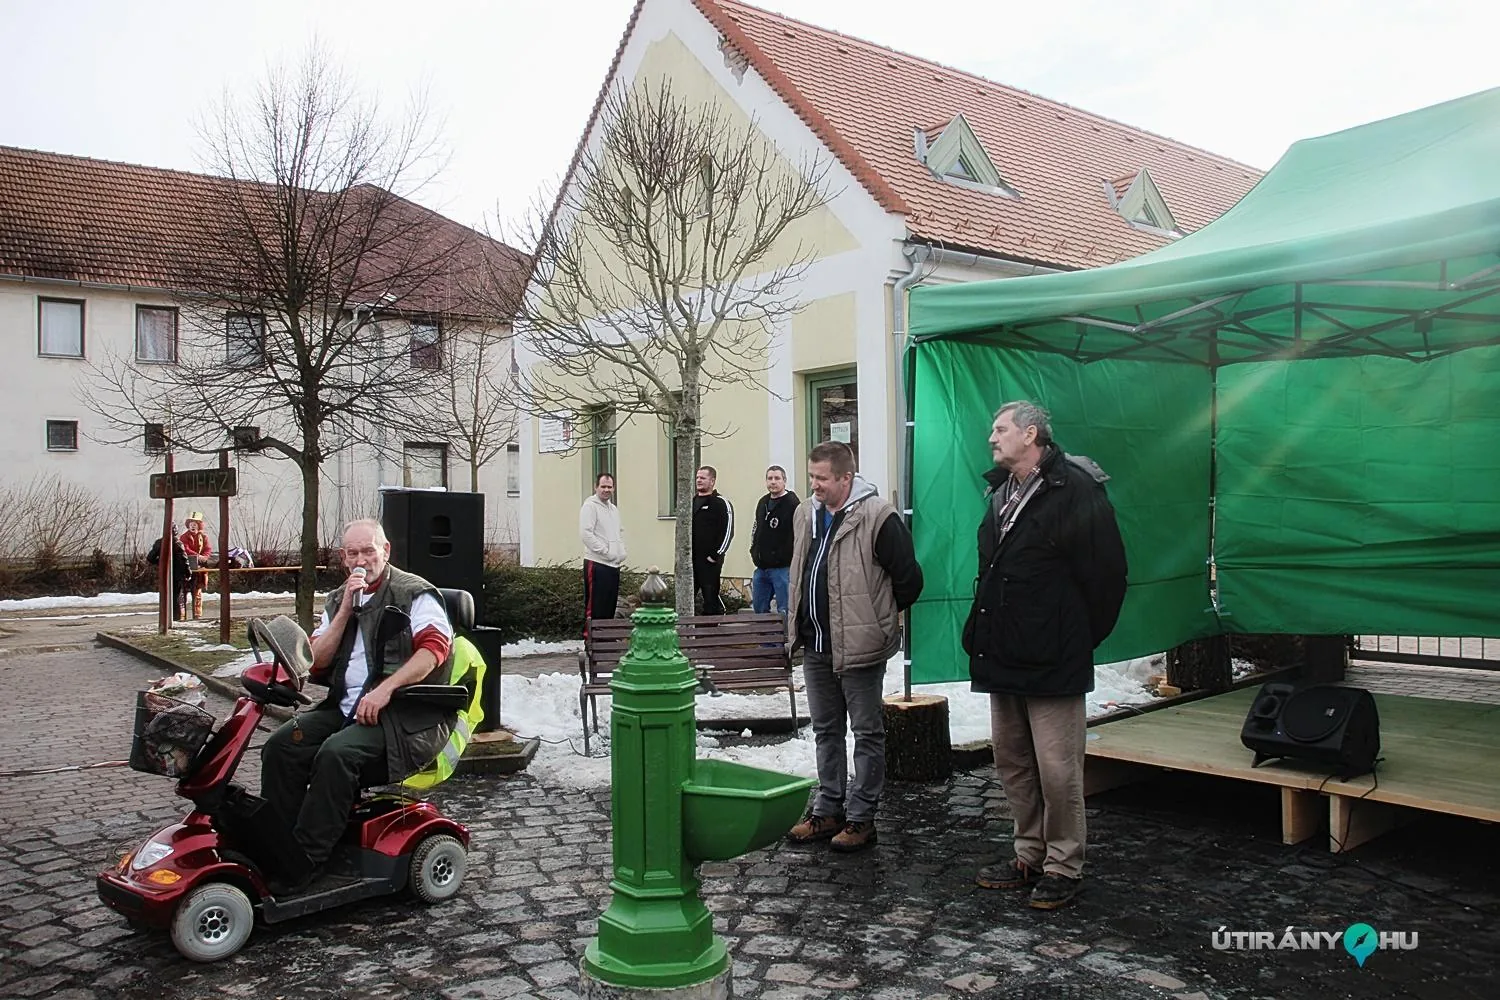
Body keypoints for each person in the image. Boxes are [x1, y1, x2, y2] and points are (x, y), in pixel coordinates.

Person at [963, 401, 1127, 910]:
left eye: (1001, 428)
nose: (991, 437)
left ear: (1030, 434)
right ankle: (1028, 854)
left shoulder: (1075, 488)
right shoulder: (1000, 492)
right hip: (1004, 650)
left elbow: (1107, 576)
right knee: (1013, 762)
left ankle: (1063, 864)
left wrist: (1073, 637)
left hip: (1054, 655)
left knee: (1058, 770)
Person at [259, 518, 456, 893]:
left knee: (337, 753)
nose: (362, 559)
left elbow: (433, 650)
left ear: (386, 551)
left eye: (369, 550)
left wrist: (386, 690)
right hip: (346, 707)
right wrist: (347, 609)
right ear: (343, 558)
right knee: (282, 746)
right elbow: (315, 660)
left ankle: (306, 861)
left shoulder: (414, 593)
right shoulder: (338, 599)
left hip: (404, 716)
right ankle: (278, 846)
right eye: (353, 553)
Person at [785, 441, 923, 852]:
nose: (815, 486)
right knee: (826, 731)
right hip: (816, 645)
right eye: (811, 477)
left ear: (847, 477)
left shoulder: (878, 516)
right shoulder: (804, 514)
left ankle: (862, 817)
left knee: (866, 733)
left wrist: (876, 621)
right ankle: (828, 809)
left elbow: (909, 580)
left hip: (860, 647)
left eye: (822, 478)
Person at [750, 466, 799, 619]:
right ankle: (766, 643)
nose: (773, 482)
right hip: (761, 567)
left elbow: (798, 534)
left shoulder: (792, 504)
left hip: (782, 568)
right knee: (759, 608)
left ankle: (785, 641)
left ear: (784, 481)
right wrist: (753, 550)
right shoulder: (763, 502)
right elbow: (756, 528)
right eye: (770, 478)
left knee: (785, 609)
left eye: (777, 478)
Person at [580, 472, 626, 635]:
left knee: (609, 605)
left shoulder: (613, 509)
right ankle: (591, 641)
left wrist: (620, 553)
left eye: (609, 487)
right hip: (597, 564)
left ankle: (605, 639)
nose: (606, 490)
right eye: (603, 486)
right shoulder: (590, 506)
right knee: (595, 606)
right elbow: (586, 534)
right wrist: (605, 552)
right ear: (596, 487)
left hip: (613, 564)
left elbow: (619, 532)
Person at [691, 466, 734, 615]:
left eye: (703, 478)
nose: (699, 480)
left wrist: (715, 555)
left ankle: (710, 633)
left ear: (712, 481)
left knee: (710, 600)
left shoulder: (720, 503)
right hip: (690, 561)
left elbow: (728, 531)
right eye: (697, 477)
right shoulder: (691, 502)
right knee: (687, 599)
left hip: (709, 562)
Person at [146, 526, 190, 622]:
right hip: (177, 574)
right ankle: (176, 617)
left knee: (165, 595)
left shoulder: (159, 542)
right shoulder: (177, 543)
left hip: (164, 573)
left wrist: (161, 562)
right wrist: (188, 572)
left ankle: (165, 617)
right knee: (176, 597)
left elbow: (150, 558)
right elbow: (184, 560)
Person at [180, 513, 212, 620]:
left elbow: (208, 549)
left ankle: (197, 614)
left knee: (197, 591)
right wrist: (197, 556)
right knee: (184, 591)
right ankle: (182, 614)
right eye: (191, 524)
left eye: (195, 524)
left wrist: (205, 557)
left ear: (199, 525)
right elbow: (185, 549)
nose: (192, 526)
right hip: (186, 567)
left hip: (199, 569)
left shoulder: (203, 537)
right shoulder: (184, 537)